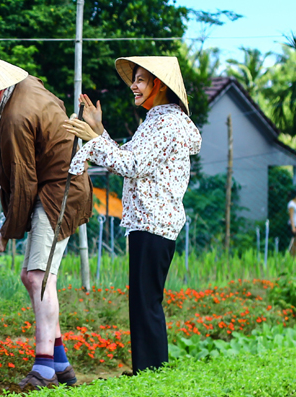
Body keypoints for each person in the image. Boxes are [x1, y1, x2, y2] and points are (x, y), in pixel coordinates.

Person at [0, 51, 91, 390]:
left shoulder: (16, 115)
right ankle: (60, 364)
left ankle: (44, 368)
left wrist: (7, 231)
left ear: (1, 84)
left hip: (59, 191)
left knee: (37, 276)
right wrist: (8, 228)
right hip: (55, 187)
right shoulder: (26, 86)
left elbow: (23, 180)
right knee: (33, 277)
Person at [65, 56, 202, 373]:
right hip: (150, 220)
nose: (133, 86)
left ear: (160, 85)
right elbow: (127, 157)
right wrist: (99, 131)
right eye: (134, 79)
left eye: (140, 80)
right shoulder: (157, 121)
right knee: (144, 301)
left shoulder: (166, 124)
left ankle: (151, 373)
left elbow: (132, 166)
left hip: (154, 220)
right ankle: (148, 370)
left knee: (146, 302)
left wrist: (94, 138)